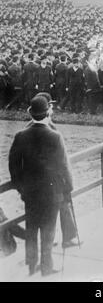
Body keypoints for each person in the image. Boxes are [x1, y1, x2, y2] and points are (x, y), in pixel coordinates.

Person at [8, 96, 73, 276]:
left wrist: (20, 187)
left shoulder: (21, 135)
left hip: (30, 193)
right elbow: (64, 166)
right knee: (48, 231)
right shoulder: (55, 136)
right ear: (47, 114)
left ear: (31, 113)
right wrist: (69, 187)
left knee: (31, 229)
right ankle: (46, 267)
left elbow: (13, 165)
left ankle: (32, 266)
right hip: (52, 193)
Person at [26, 92, 78, 249]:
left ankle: (59, 238)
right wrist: (69, 182)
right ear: (47, 109)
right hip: (53, 180)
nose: (53, 108)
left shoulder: (30, 128)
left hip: (40, 181)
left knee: (55, 208)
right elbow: (62, 161)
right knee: (59, 206)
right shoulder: (50, 130)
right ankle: (62, 239)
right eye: (51, 106)